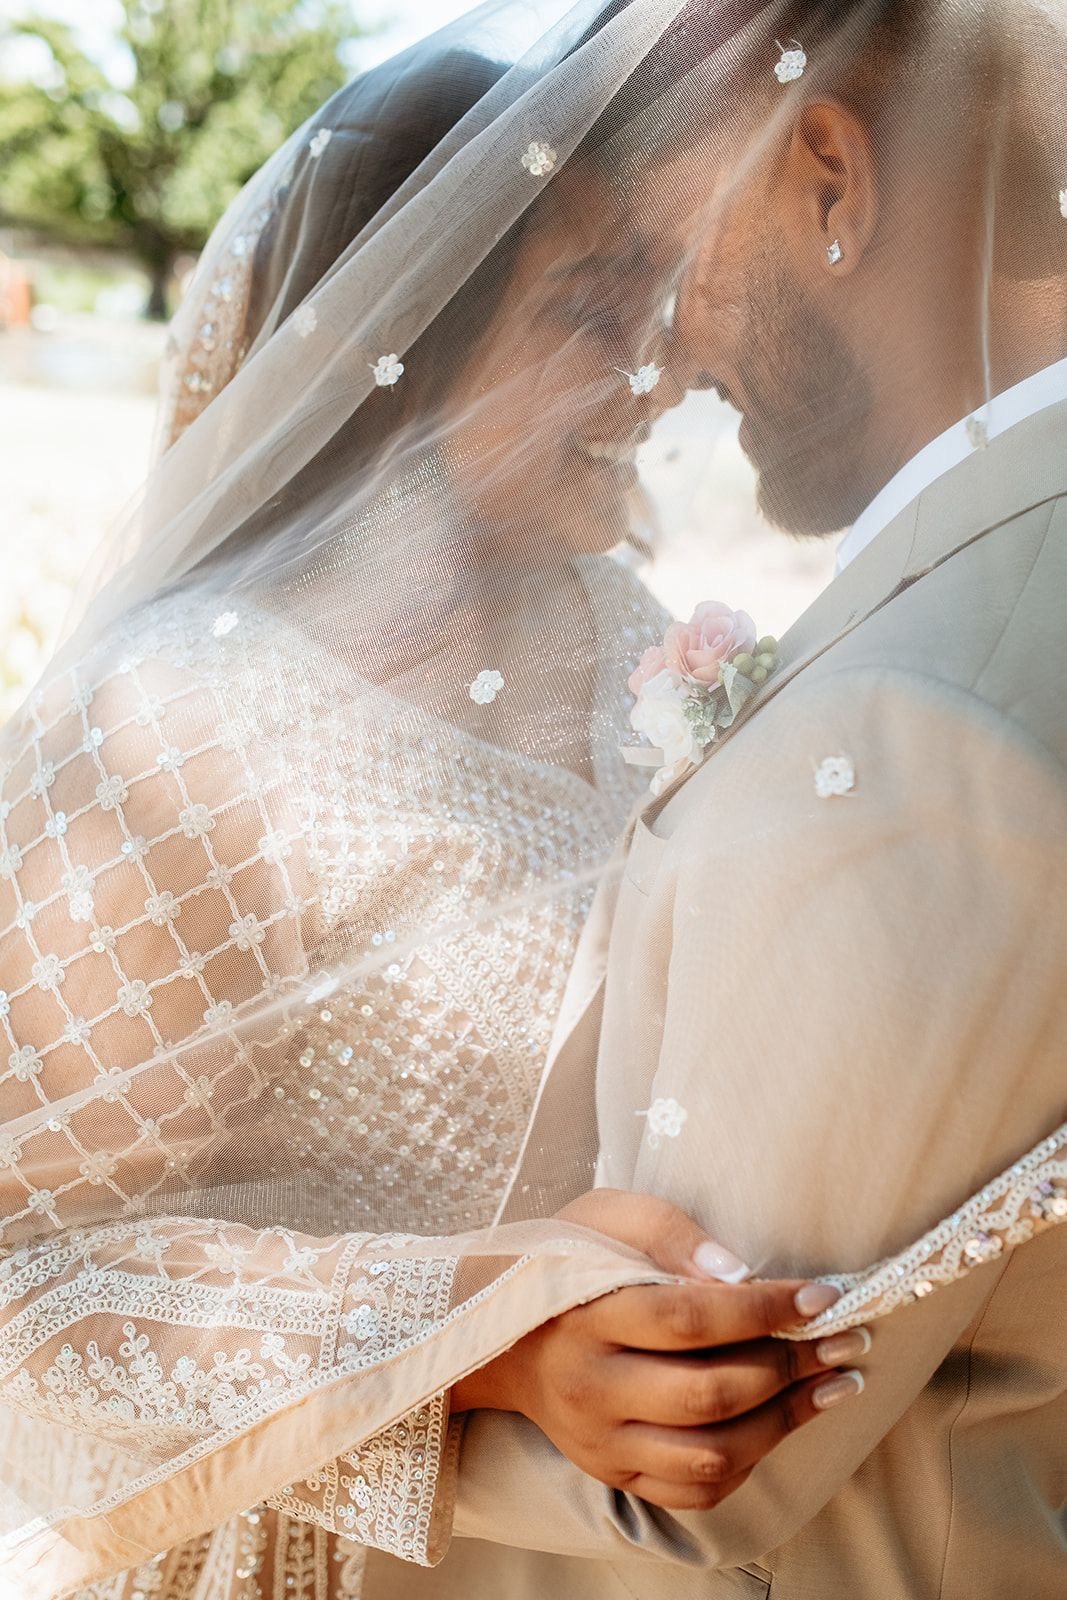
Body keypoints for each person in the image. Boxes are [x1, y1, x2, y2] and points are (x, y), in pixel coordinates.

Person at [0, 11, 867, 1600]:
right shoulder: (167, 728)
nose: (664, 369)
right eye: (597, 316)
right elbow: (21, 1304)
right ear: (395, 354)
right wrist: (485, 1330)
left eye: (659, 307)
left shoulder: (626, 637)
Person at [387, 1, 1067, 1596]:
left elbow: (689, 1470)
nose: (667, 352)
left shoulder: (916, 731)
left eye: (671, 251)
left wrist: (384, 1375)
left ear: (831, 180)